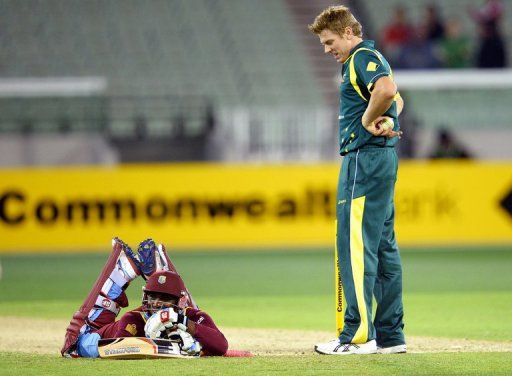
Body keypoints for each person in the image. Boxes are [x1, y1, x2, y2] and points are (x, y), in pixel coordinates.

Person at [308, 5, 406, 355]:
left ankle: (356, 336)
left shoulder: (362, 56)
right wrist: (383, 119)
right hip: (380, 158)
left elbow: (387, 89)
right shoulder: (371, 58)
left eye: (329, 41)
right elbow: (397, 98)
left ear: (349, 32)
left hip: (363, 160)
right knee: (382, 247)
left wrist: (367, 120)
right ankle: (392, 337)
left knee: (355, 246)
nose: (327, 49)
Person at [61, 238, 228, 358]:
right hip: (94, 339)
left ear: (179, 303)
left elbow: (222, 346)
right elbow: (119, 350)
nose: (155, 303)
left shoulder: (195, 316)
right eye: (152, 296)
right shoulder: (132, 318)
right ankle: (120, 273)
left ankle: (149, 272)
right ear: (144, 297)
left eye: (165, 298)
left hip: (182, 312)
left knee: (189, 311)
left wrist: (183, 323)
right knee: (72, 344)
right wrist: (182, 346)